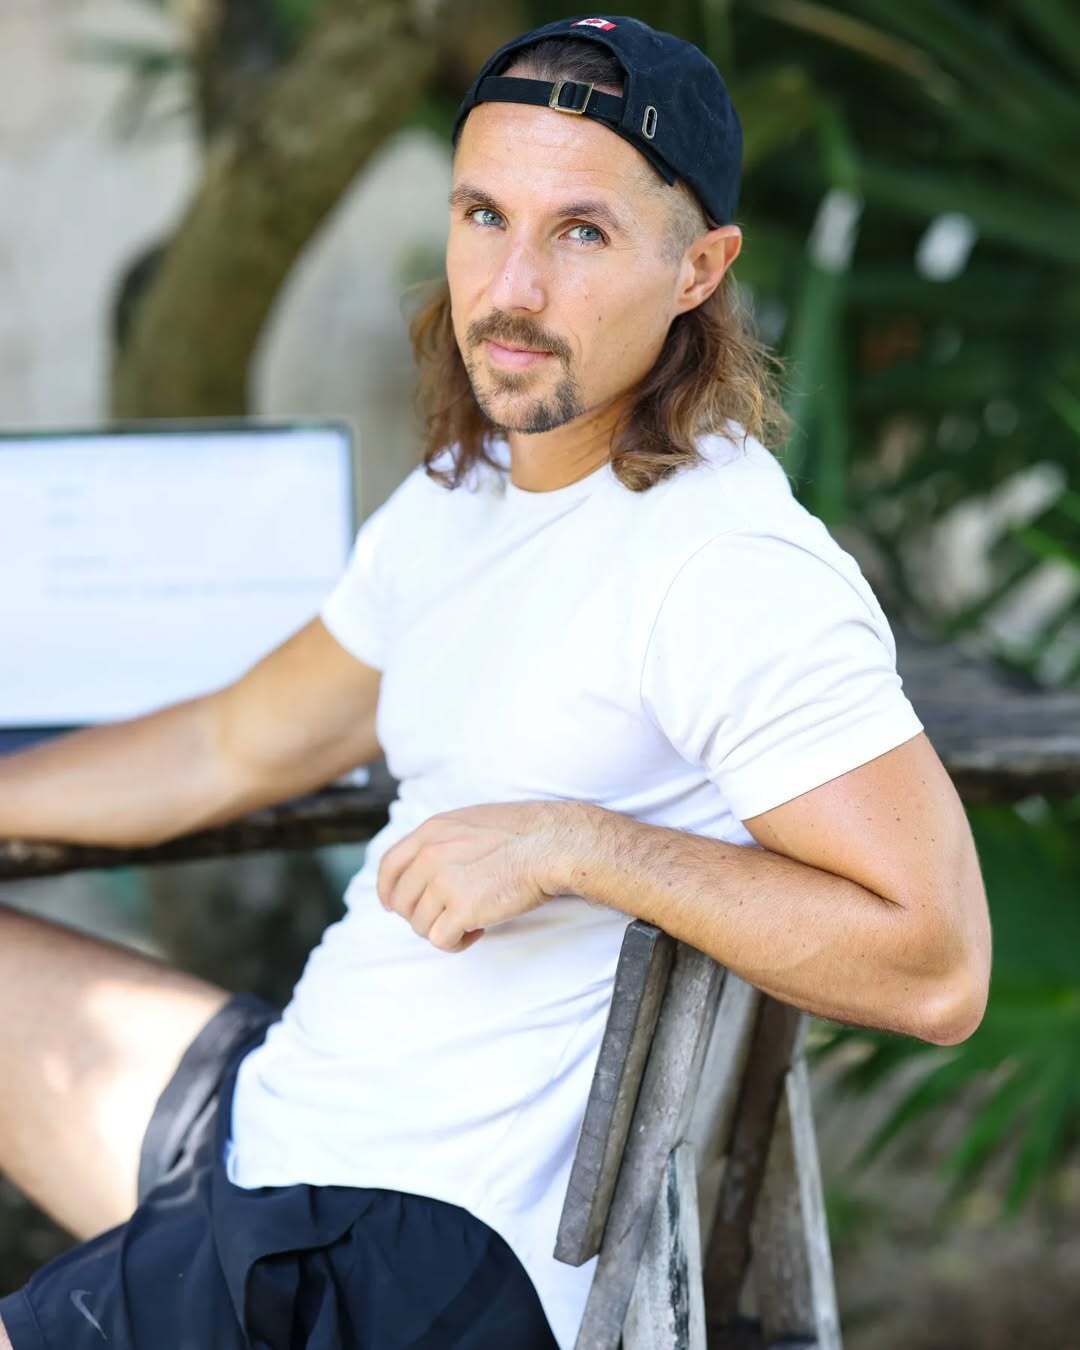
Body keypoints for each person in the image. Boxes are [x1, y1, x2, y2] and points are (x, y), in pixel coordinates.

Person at [0, 13, 991, 1350]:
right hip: (285, 1126)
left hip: (409, 1246)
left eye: (580, 231)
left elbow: (937, 965)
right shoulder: (464, 498)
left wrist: (578, 843)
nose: (510, 284)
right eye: (483, 214)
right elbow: (231, 746)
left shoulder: (725, 566)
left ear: (699, 266)